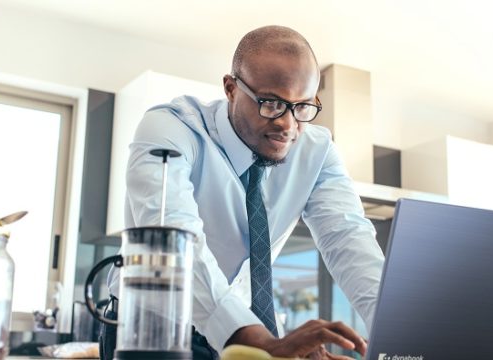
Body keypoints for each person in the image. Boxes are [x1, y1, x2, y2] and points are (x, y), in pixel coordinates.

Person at [118, 25, 384, 359]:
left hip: (248, 337)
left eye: (302, 107)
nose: (288, 125)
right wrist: (260, 341)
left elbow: (348, 239)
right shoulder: (171, 129)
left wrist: (400, 338)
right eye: (271, 103)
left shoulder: (317, 150)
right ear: (230, 88)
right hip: (156, 334)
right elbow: (174, 239)